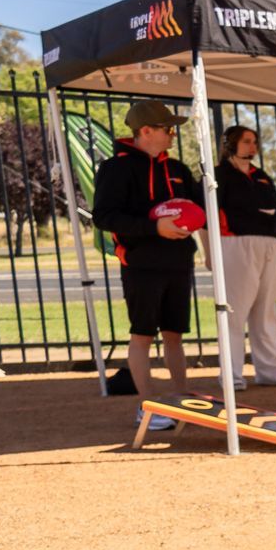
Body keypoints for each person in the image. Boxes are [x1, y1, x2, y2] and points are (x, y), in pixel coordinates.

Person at [91, 99, 204, 433]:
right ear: (145, 131)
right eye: (167, 129)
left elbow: (199, 207)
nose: (172, 135)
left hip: (179, 262)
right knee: (142, 334)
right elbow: (105, 217)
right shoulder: (117, 168)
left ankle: (182, 399)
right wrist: (154, 227)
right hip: (141, 264)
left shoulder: (178, 169)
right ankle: (148, 405)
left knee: (175, 334)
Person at [215, 125, 276, 387]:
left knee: (265, 310)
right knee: (234, 311)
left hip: (269, 244)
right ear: (231, 144)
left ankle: (272, 370)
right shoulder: (219, 175)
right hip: (235, 243)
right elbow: (209, 216)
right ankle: (232, 374)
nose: (253, 146)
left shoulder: (261, 176)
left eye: (255, 141)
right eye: (247, 141)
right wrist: (210, 252)